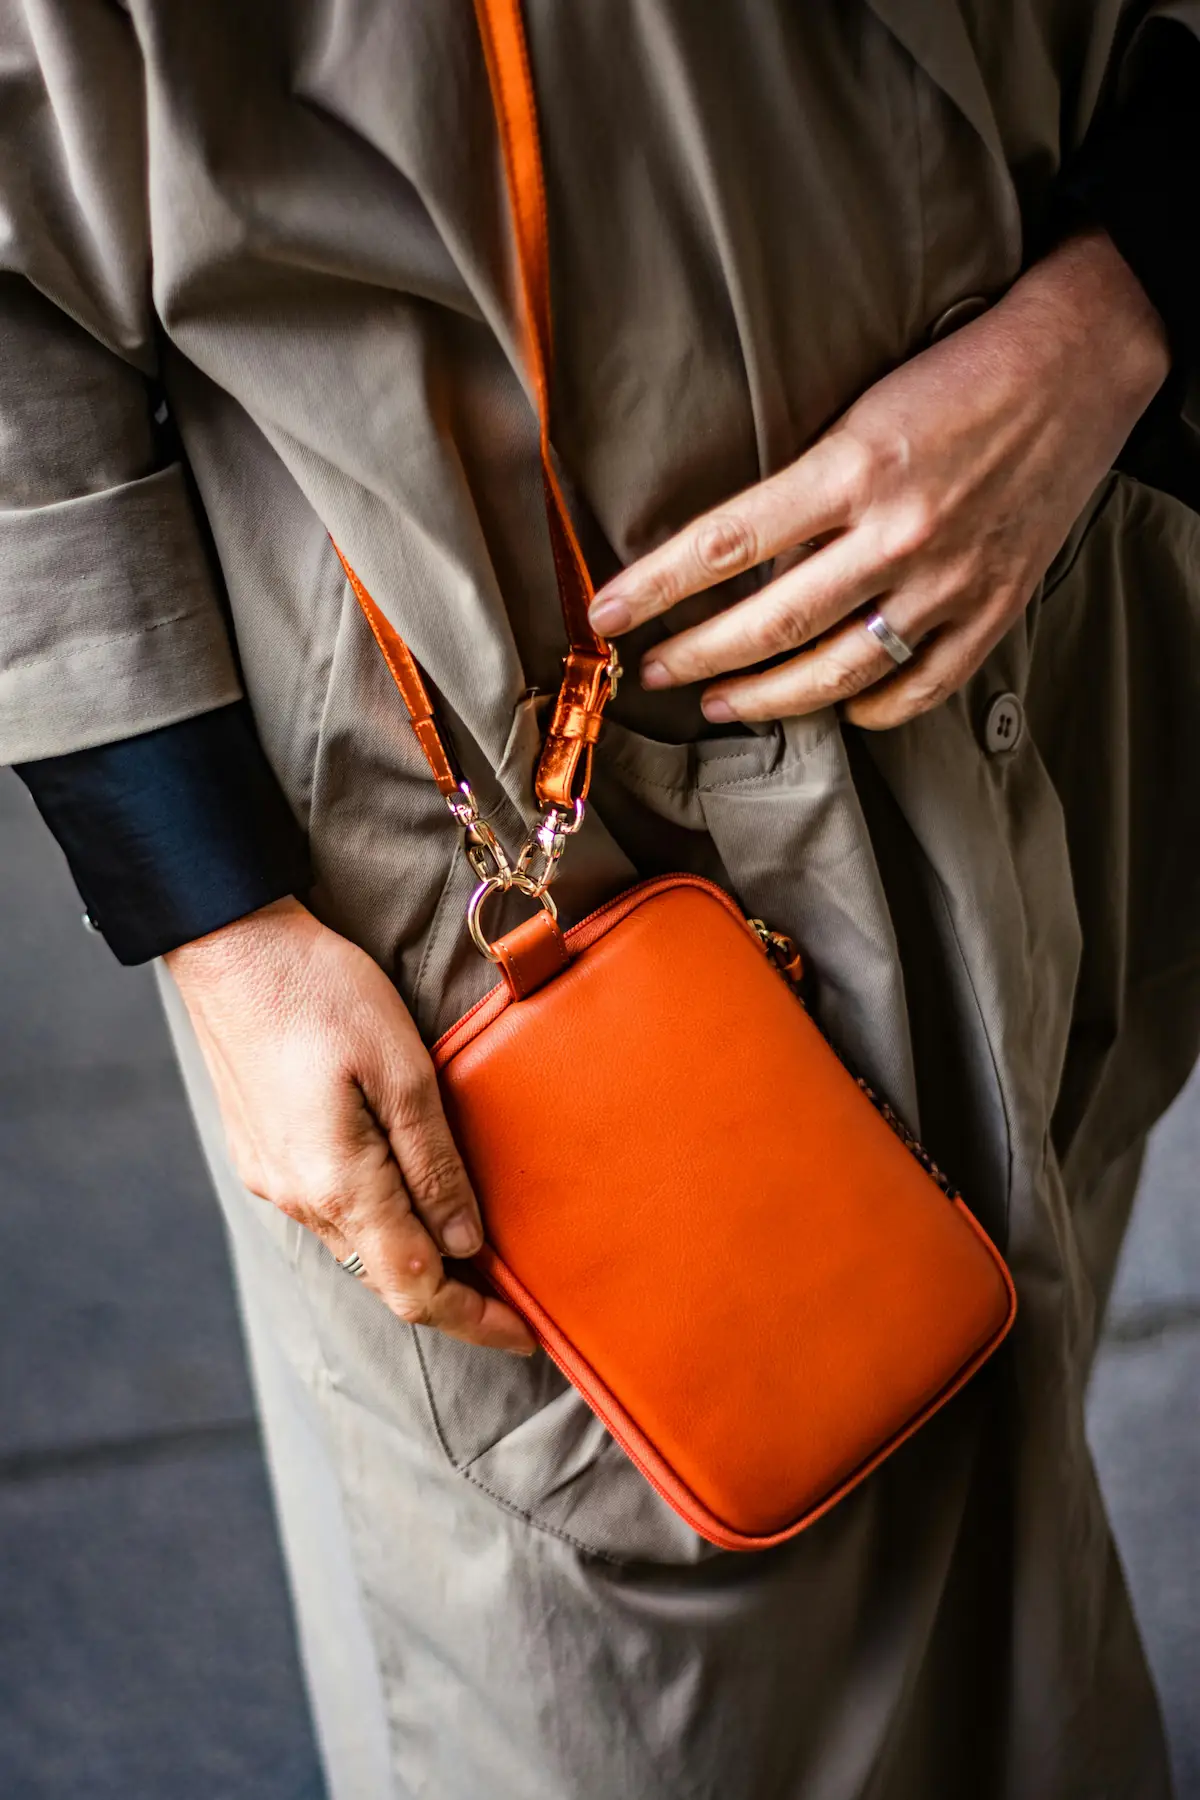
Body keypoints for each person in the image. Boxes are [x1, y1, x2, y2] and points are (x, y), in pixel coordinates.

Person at [3, 3, 1199, 1795]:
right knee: (626, 1702)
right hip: (501, 825)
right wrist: (215, 919)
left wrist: (1130, 307)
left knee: (1009, 1506)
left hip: (1065, 628)